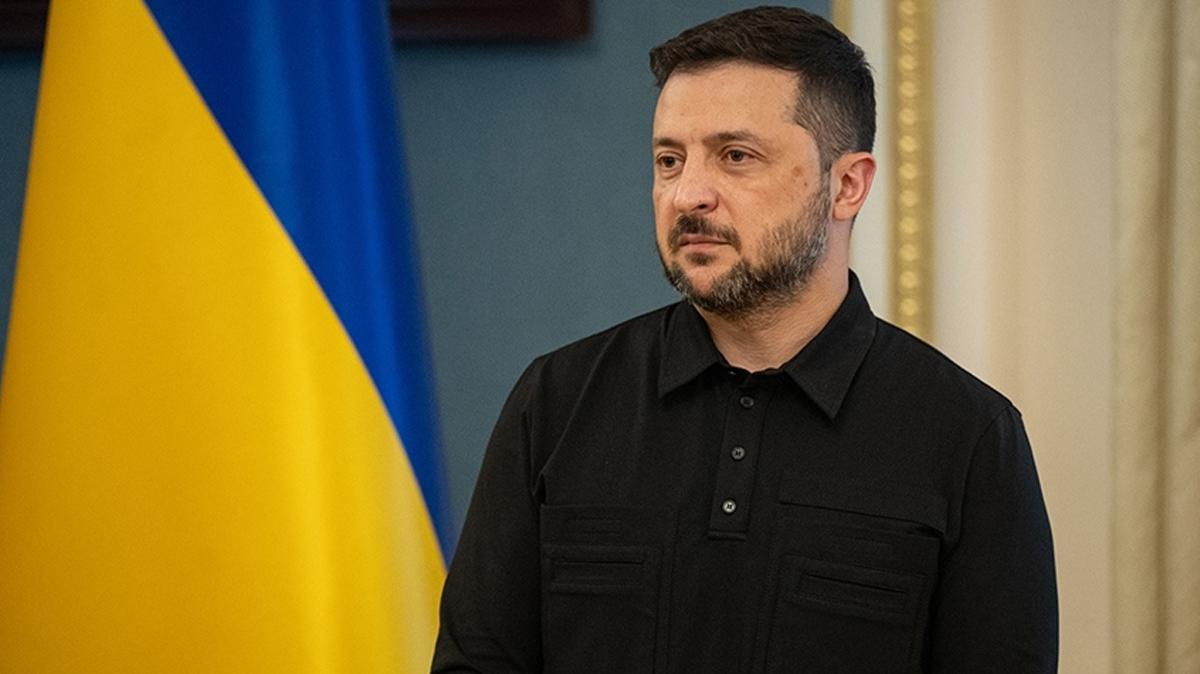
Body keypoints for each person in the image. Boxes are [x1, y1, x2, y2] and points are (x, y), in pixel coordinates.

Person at [431, 6, 1058, 673]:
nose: (687, 194)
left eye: (736, 156)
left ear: (847, 185)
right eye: (669, 160)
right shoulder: (557, 402)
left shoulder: (967, 436)